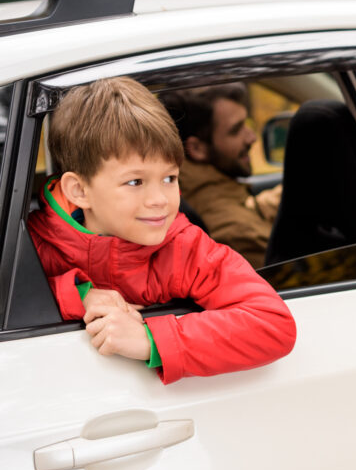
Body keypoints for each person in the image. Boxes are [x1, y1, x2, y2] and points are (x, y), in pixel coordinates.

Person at [27, 77, 296, 385]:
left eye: (169, 178)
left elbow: (273, 324)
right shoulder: (34, 245)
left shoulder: (184, 248)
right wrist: (78, 296)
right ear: (79, 191)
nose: (160, 201)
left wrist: (151, 339)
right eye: (135, 182)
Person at [159, 83, 280, 268]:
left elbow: (250, 209)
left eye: (246, 124)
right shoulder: (236, 234)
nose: (251, 137)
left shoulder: (207, 193)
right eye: (236, 130)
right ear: (198, 149)